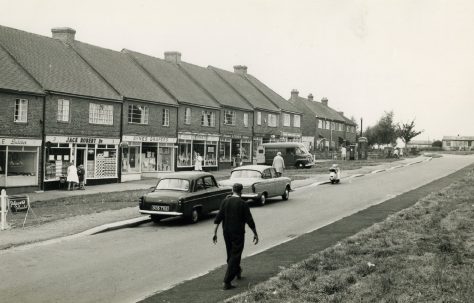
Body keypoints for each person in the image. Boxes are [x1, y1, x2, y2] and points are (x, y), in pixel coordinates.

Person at [213, 183, 259, 290]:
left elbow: (218, 219)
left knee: (231, 252)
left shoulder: (225, 202)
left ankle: (237, 271)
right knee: (235, 254)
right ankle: (227, 281)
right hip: (237, 233)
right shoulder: (243, 204)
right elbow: (250, 221)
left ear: (232, 190)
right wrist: (255, 233)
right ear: (241, 191)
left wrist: (214, 233)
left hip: (226, 232)